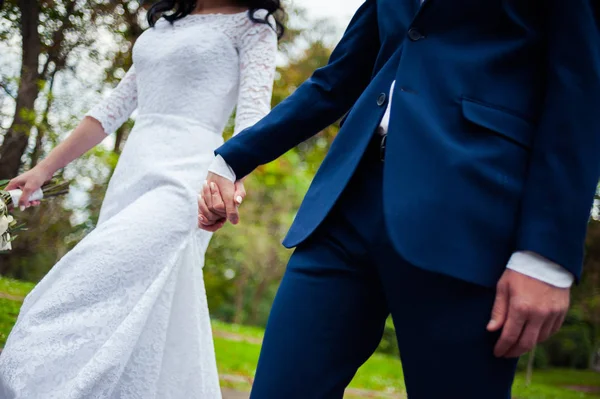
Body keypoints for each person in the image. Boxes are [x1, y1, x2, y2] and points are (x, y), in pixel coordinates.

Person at [198, 0, 600, 397]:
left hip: (469, 215)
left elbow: (579, 92)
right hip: (346, 206)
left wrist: (547, 253)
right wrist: (232, 159)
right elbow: (337, 79)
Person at [0, 1, 282, 397]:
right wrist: (41, 171)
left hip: (191, 177)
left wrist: (232, 178)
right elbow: (111, 109)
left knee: (76, 288)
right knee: (146, 309)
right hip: (133, 171)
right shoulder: (167, 22)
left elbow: (254, 117)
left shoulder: (254, 25)